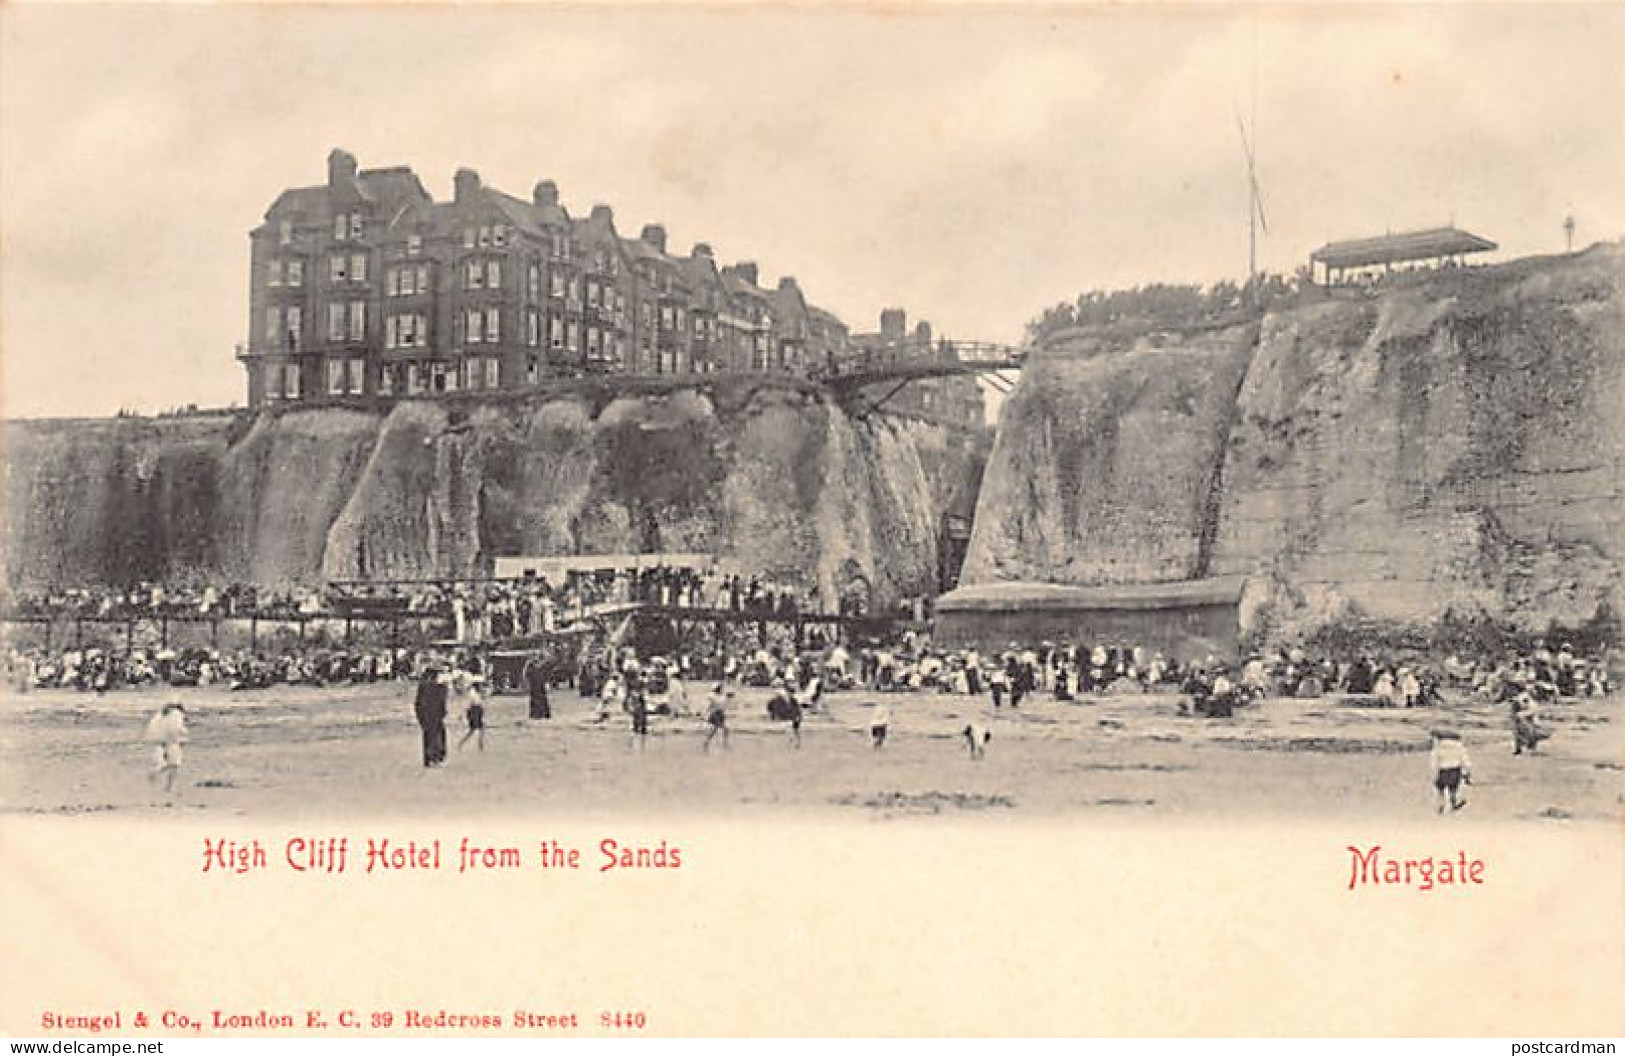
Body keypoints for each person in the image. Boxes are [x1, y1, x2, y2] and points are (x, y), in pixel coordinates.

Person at [144, 699, 188, 797]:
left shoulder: (158, 715)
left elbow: (151, 730)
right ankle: (168, 787)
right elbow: (177, 729)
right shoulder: (176, 715)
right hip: (172, 742)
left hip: (159, 742)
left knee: (164, 764)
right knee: (174, 765)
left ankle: (156, 776)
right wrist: (183, 737)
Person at [413, 666, 448, 767]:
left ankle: (428, 759)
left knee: (428, 736)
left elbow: (418, 702)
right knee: (437, 736)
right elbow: (442, 702)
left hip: (425, 714)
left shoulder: (423, 685)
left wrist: (419, 714)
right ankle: (435, 758)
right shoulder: (439, 687)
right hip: (434, 714)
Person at [1429, 730, 1471, 813]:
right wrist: (1467, 772)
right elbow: (1465, 760)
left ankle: (1441, 805)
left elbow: (1434, 761)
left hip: (1443, 770)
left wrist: (1434, 774)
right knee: (1453, 789)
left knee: (1441, 789)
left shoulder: (1438, 747)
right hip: (1455, 769)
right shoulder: (1459, 746)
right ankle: (1453, 804)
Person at [456, 672, 487, 752]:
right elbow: (467, 703)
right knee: (474, 729)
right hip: (474, 710)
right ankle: (462, 744)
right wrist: (462, 714)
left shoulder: (473, 691)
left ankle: (480, 745)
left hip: (477, 709)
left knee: (479, 728)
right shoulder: (470, 692)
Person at [703, 684, 731, 753]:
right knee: (725, 729)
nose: (721, 689)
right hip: (716, 714)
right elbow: (716, 704)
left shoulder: (718, 696)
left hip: (719, 714)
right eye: (719, 688)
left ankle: (707, 742)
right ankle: (724, 744)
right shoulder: (713, 696)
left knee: (716, 730)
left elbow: (722, 704)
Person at [522, 654, 551, 720]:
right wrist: (527, 683)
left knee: (543, 698)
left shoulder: (541, 664)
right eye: (534, 656)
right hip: (534, 684)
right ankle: (536, 714)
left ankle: (544, 714)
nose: (536, 657)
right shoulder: (530, 664)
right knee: (535, 699)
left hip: (541, 684)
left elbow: (545, 673)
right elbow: (526, 674)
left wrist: (546, 681)